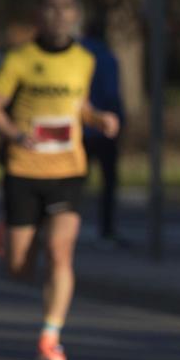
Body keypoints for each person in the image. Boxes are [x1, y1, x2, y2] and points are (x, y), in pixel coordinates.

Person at [0, 0, 117, 360]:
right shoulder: (20, 60)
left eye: (67, 7)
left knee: (60, 253)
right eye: (52, 7)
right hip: (24, 169)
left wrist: (98, 118)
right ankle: (8, 228)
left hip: (68, 169)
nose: (60, 15)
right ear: (38, 14)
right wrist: (13, 134)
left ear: (76, 15)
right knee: (19, 268)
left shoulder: (84, 59)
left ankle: (51, 335)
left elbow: (79, 105)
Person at [80, 30, 126, 244]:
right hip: (105, 129)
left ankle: (64, 226)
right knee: (108, 183)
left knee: (74, 184)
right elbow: (112, 94)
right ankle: (107, 228)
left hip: (78, 130)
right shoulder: (108, 58)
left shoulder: (75, 56)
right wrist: (119, 122)